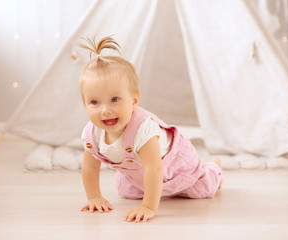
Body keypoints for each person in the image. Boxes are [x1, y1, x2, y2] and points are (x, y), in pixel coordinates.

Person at [79, 36, 222, 223]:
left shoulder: (143, 130)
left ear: (135, 101)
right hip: (139, 174)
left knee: (203, 189)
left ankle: (214, 167)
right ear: (85, 104)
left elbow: (154, 168)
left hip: (174, 168)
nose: (105, 110)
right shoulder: (92, 134)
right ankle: (149, 191)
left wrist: (148, 207)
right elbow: (90, 167)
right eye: (95, 102)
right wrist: (94, 197)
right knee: (125, 190)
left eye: (115, 99)